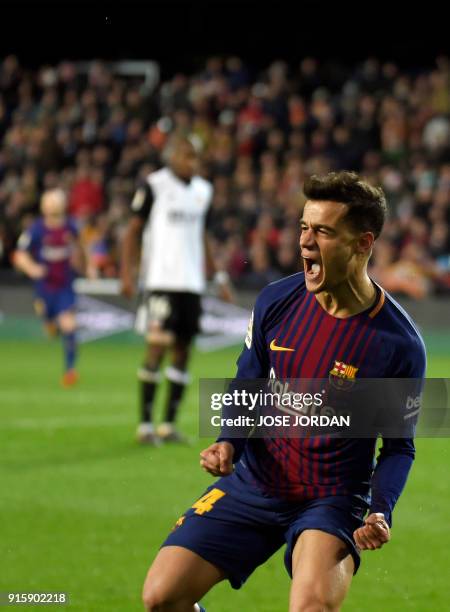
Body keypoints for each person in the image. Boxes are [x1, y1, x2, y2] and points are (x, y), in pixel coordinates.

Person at [141, 171, 426, 611]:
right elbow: (247, 381)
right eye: (303, 227)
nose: (306, 242)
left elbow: (398, 448)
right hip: (255, 481)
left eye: (324, 231)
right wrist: (228, 442)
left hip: (332, 497)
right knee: (161, 597)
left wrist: (380, 510)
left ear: (363, 243)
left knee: (310, 607)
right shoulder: (276, 301)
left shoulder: (398, 345)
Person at [121, 136, 233, 445]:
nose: (192, 162)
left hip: (191, 283)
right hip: (160, 281)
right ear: (171, 157)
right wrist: (127, 273)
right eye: (186, 156)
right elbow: (132, 231)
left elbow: (203, 236)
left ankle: (167, 425)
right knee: (157, 346)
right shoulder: (154, 185)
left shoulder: (203, 191)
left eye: (196, 157)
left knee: (183, 351)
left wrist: (219, 276)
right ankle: (145, 425)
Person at [14, 188, 83, 386]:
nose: (53, 205)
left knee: (69, 324)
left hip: (65, 286)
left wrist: (87, 266)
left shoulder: (71, 227)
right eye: (50, 201)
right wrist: (32, 268)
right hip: (44, 287)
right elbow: (20, 254)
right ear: (44, 206)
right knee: (51, 328)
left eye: (56, 201)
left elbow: (81, 248)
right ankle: (51, 323)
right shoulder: (36, 229)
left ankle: (70, 371)